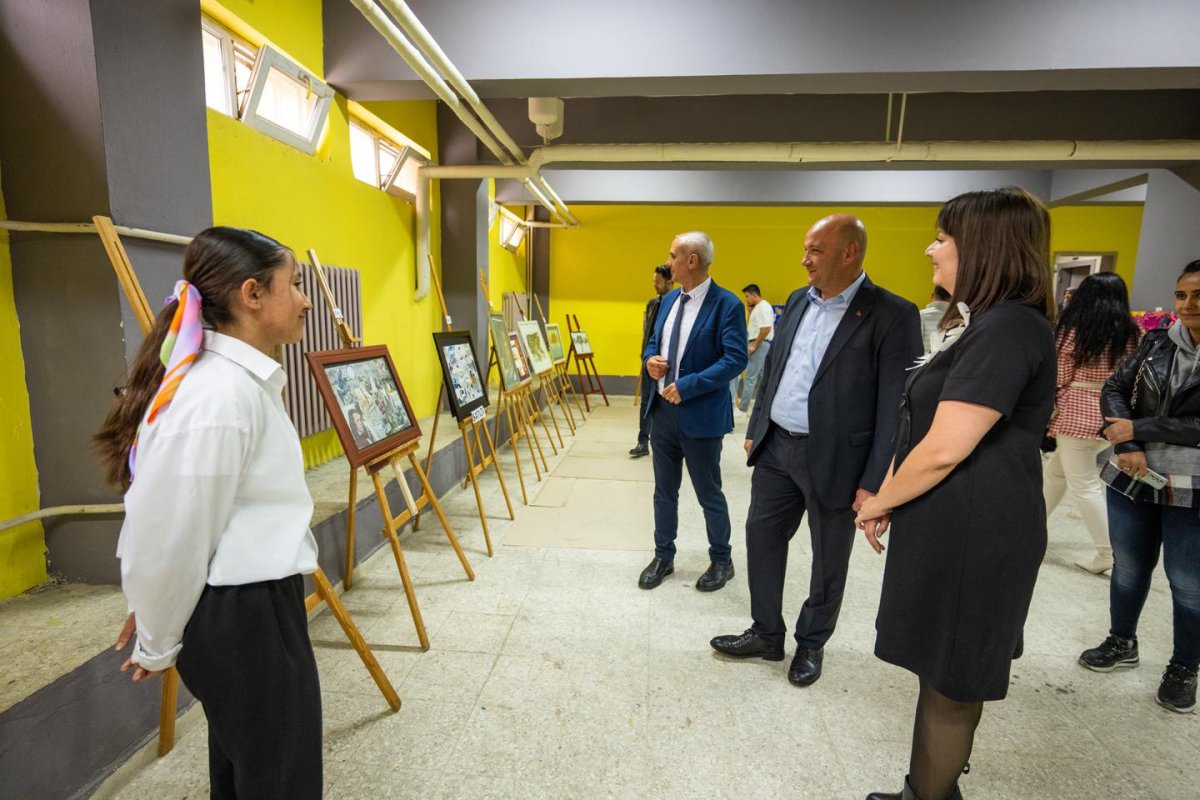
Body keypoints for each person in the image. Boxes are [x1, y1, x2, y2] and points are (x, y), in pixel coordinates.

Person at [96, 227, 322, 799]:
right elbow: (171, 531)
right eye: (294, 284)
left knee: (256, 771)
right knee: (279, 780)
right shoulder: (219, 395)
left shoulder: (235, 383)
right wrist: (156, 635)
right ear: (252, 294)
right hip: (243, 616)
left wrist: (156, 615)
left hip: (253, 605)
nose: (305, 300)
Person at [855, 188, 1056, 800]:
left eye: (942, 239)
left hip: (978, 531)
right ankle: (925, 788)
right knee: (940, 669)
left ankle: (929, 794)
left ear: (984, 247)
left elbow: (946, 445)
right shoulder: (981, 323)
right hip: (955, 520)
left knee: (952, 681)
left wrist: (880, 500)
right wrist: (894, 490)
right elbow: (923, 425)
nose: (931, 249)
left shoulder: (1008, 327)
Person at [710, 214, 922, 687]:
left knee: (828, 558)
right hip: (776, 448)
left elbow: (896, 405)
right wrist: (758, 425)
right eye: (806, 249)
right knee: (762, 540)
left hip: (839, 460)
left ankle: (811, 642)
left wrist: (875, 480)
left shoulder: (892, 314)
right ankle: (766, 632)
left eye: (816, 251)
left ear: (850, 253)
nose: (805, 260)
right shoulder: (797, 301)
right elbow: (774, 368)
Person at [1078, 258, 1200, 715]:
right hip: (1133, 473)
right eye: (1181, 294)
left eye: (1198, 296)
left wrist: (1138, 429)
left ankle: (1184, 667)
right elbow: (1114, 388)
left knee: (1188, 583)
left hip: (1192, 484)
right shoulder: (1156, 340)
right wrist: (1127, 440)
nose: (1187, 305)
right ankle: (1121, 641)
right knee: (1129, 566)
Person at [638, 232, 747, 591]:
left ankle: (722, 560)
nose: (668, 262)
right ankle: (663, 556)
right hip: (662, 414)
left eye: (673, 256)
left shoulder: (726, 304)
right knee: (664, 491)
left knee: (708, 493)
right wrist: (650, 361)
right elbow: (653, 342)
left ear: (692, 261)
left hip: (701, 417)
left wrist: (689, 385)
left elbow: (735, 358)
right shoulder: (669, 300)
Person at [1043, 272, 1140, 574]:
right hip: (1112, 414)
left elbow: (1060, 375)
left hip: (1077, 413)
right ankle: (1031, 525)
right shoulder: (1131, 332)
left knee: (1083, 484)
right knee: (1056, 473)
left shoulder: (1074, 330)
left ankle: (1110, 551)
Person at [631, 264, 674, 458]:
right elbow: (646, 331)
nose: (655, 285)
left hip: (667, 363)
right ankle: (642, 441)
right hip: (649, 361)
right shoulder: (652, 304)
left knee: (666, 402)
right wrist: (644, 356)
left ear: (670, 282)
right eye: (654, 281)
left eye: (658, 282)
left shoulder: (676, 305)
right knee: (645, 400)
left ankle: (667, 442)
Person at [729, 283, 775, 413]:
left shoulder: (763, 307)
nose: (746, 299)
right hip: (759, 343)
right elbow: (752, 326)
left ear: (754, 295)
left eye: (747, 296)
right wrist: (750, 311)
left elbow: (766, 328)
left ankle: (742, 408)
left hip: (759, 344)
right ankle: (764, 405)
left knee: (750, 378)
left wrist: (754, 345)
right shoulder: (757, 308)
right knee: (763, 377)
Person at [919, 285, 951, 354]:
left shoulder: (921, 315)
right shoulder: (957, 316)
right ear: (951, 298)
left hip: (926, 358)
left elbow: (916, 342)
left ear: (932, 296)